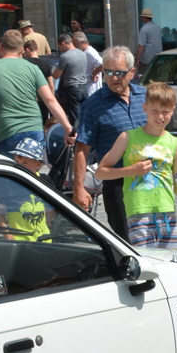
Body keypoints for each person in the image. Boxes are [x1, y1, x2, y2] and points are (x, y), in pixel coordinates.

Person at [97, 81, 177, 250]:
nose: (160, 117)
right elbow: (100, 172)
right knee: (146, 261)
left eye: (165, 112)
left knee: (171, 263)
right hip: (138, 211)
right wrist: (132, 170)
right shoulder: (128, 137)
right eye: (155, 111)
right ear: (145, 108)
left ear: (173, 110)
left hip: (167, 212)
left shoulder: (176, 144)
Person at [74, 47, 146, 238]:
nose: (114, 78)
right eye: (108, 73)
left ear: (132, 72)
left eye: (119, 73)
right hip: (118, 186)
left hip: (150, 181)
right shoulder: (93, 105)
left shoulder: (146, 97)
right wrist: (79, 188)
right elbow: (82, 148)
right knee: (128, 241)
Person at [0, 28, 71, 159]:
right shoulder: (33, 68)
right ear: (21, 50)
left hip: (7, 131)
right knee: (31, 173)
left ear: (2, 46)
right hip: (34, 128)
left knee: (10, 175)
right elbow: (50, 100)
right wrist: (67, 127)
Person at [50, 31, 88, 128]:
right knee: (84, 115)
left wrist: (52, 70)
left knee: (75, 118)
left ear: (63, 44)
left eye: (59, 47)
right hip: (84, 88)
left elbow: (56, 75)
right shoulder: (82, 53)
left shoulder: (65, 57)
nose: (60, 49)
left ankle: (75, 138)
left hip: (72, 89)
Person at [135, 7, 163, 74]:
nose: (141, 18)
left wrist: (137, 58)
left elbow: (141, 45)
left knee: (144, 77)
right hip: (157, 57)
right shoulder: (157, 27)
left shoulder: (144, 29)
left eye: (142, 17)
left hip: (147, 59)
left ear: (144, 17)